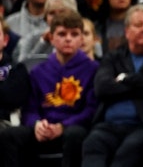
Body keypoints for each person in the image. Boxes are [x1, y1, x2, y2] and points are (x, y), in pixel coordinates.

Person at [81, 3, 143, 167]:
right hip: (107, 126)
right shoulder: (114, 57)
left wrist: (125, 78)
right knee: (91, 145)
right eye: (138, 25)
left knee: (127, 154)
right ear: (127, 31)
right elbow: (102, 88)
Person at [0, 10, 98, 167]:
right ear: (51, 38)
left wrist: (63, 126)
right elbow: (29, 110)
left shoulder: (93, 69)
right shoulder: (38, 71)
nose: (68, 39)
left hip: (73, 129)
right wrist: (37, 124)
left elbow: (91, 110)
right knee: (11, 135)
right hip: (43, 129)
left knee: (75, 134)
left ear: (81, 39)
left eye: (74, 34)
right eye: (62, 34)